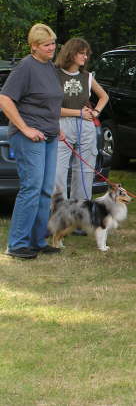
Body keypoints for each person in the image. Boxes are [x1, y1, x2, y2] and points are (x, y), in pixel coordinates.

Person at [0, 24, 64, 259]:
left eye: (53, 43)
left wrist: (57, 127)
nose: (52, 48)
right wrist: (25, 128)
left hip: (50, 135)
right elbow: (5, 99)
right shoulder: (25, 67)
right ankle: (17, 244)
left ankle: (37, 240)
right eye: (46, 45)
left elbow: (50, 102)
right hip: (29, 138)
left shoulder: (49, 66)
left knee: (46, 190)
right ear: (34, 46)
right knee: (31, 188)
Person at [54, 38, 109, 213]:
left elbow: (104, 96)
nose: (85, 57)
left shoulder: (87, 76)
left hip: (86, 127)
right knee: (58, 173)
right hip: (62, 125)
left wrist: (96, 112)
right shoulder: (55, 74)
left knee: (85, 171)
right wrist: (78, 113)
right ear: (71, 53)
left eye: (87, 54)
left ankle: (81, 215)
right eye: (81, 53)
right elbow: (51, 107)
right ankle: (60, 215)